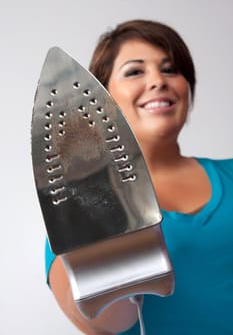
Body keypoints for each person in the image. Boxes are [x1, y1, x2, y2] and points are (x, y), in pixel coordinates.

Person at [45, 19, 233, 334]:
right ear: (102, 97)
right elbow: (106, 324)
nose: (158, 81)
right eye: (135, 71)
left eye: (171, 69)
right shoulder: (78, 207)